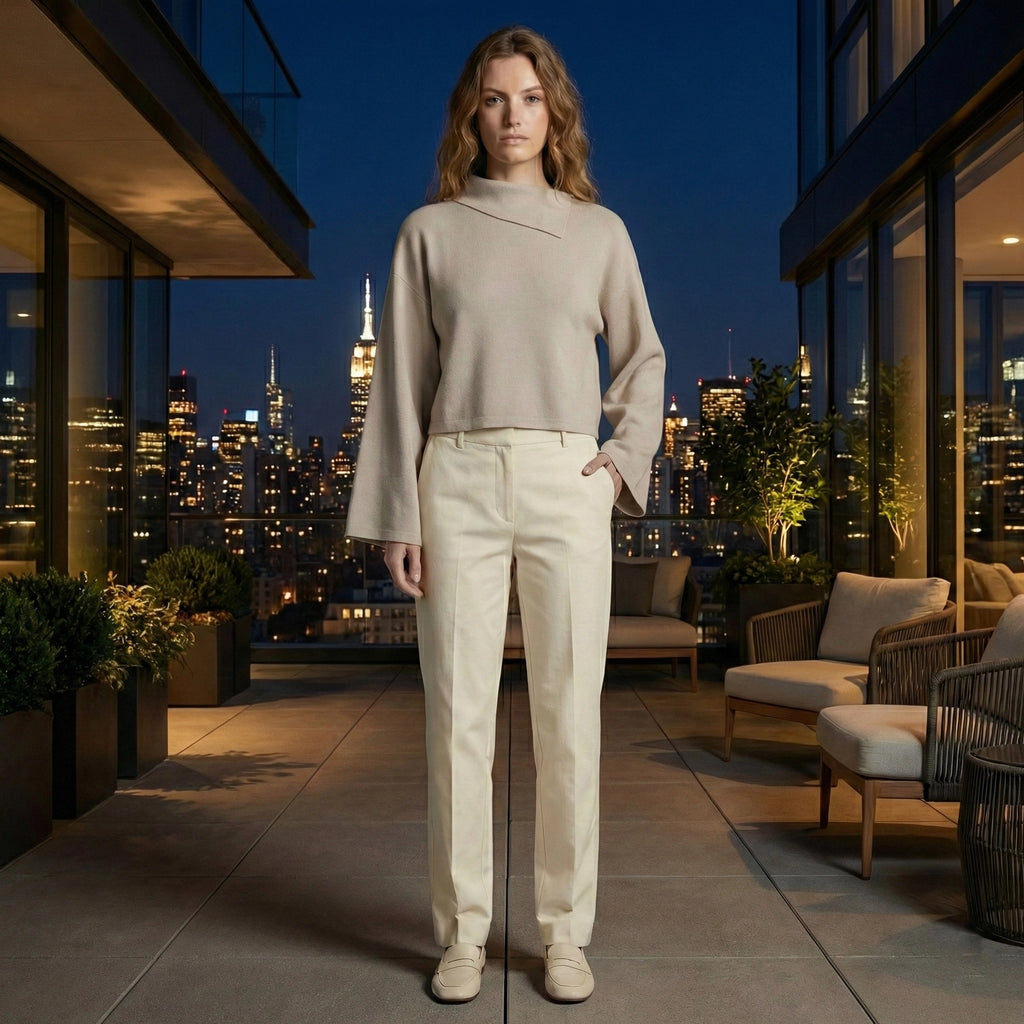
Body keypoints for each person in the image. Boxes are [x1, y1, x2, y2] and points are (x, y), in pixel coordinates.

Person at [345, 25, 665, 1004]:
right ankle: (463, 934)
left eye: (529, 97)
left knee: (571, 717)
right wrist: (400, 511)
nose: (512, 115)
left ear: (551, 111)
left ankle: (564, 933)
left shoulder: (597, 231)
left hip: (566, 481)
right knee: (458, 720)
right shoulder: (427, 233)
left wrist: (616, 468)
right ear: (470, 116)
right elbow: (400, 384)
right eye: (493, 98)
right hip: (458, 480)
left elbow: (643, 359)